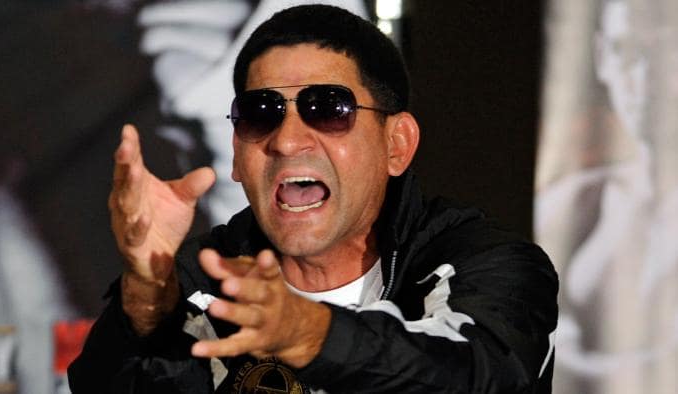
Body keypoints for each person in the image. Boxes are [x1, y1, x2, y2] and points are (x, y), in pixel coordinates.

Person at [68, 5, 558, 393]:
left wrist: (306, 332)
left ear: (397, 145)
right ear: (237, 156)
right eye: (262, 113)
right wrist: (149, 293)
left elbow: (477, 374)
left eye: (328, 109)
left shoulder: (485, 264)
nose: (286, 140)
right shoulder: (200, 280)